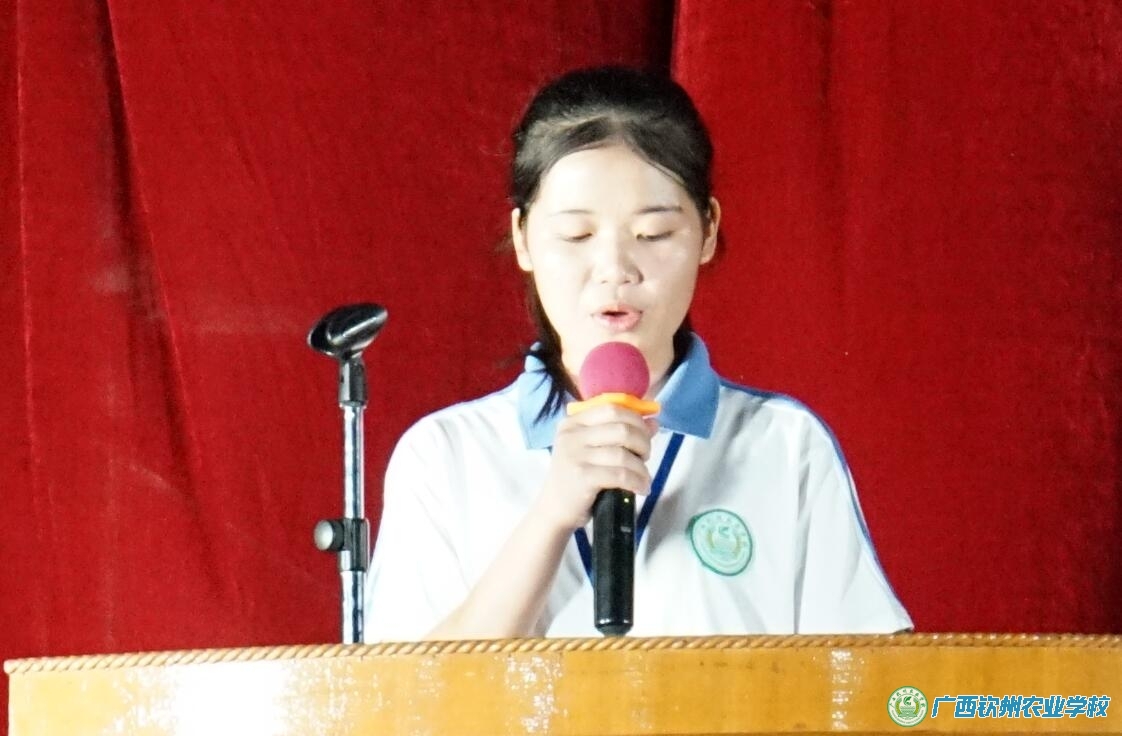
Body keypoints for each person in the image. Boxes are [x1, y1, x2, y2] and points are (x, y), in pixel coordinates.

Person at [363, 66, 911, 640]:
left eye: (653, 235)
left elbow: (875, 679)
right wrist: (550, 517)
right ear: (523, 237)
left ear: (708, 230)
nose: (615, 270)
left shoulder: (783, 445)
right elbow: (406, 688)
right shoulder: (446, 455)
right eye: (577, 236)